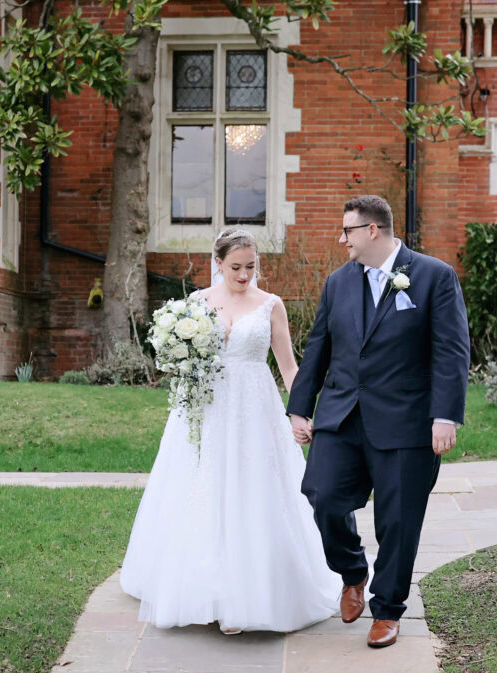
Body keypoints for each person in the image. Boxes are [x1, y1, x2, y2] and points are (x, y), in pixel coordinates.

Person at [120, 227, 338, 633]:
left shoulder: (271, 305)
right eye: (235, 267)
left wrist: (301, 412)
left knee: (253, 491)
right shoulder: (195, 304)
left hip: (254, 409)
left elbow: (289, 367)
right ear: (218, 263)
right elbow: (178, 359)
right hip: (207, 409)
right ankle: (204, 589)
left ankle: (250, 593)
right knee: (204, 490)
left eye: (251, 267)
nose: (243, 275)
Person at [287, 195, 471, 648]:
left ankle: (387, 610)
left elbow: (451, 352)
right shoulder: (337, 283)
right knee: (322, 494)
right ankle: (352, 572)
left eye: (346, 231)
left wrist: (445, 416)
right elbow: (319, 348)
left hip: (407, 421)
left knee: (399, 521)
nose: (340, 238)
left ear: (373, 230)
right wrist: (299, 407)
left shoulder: (433, 277)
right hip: (342, 415)